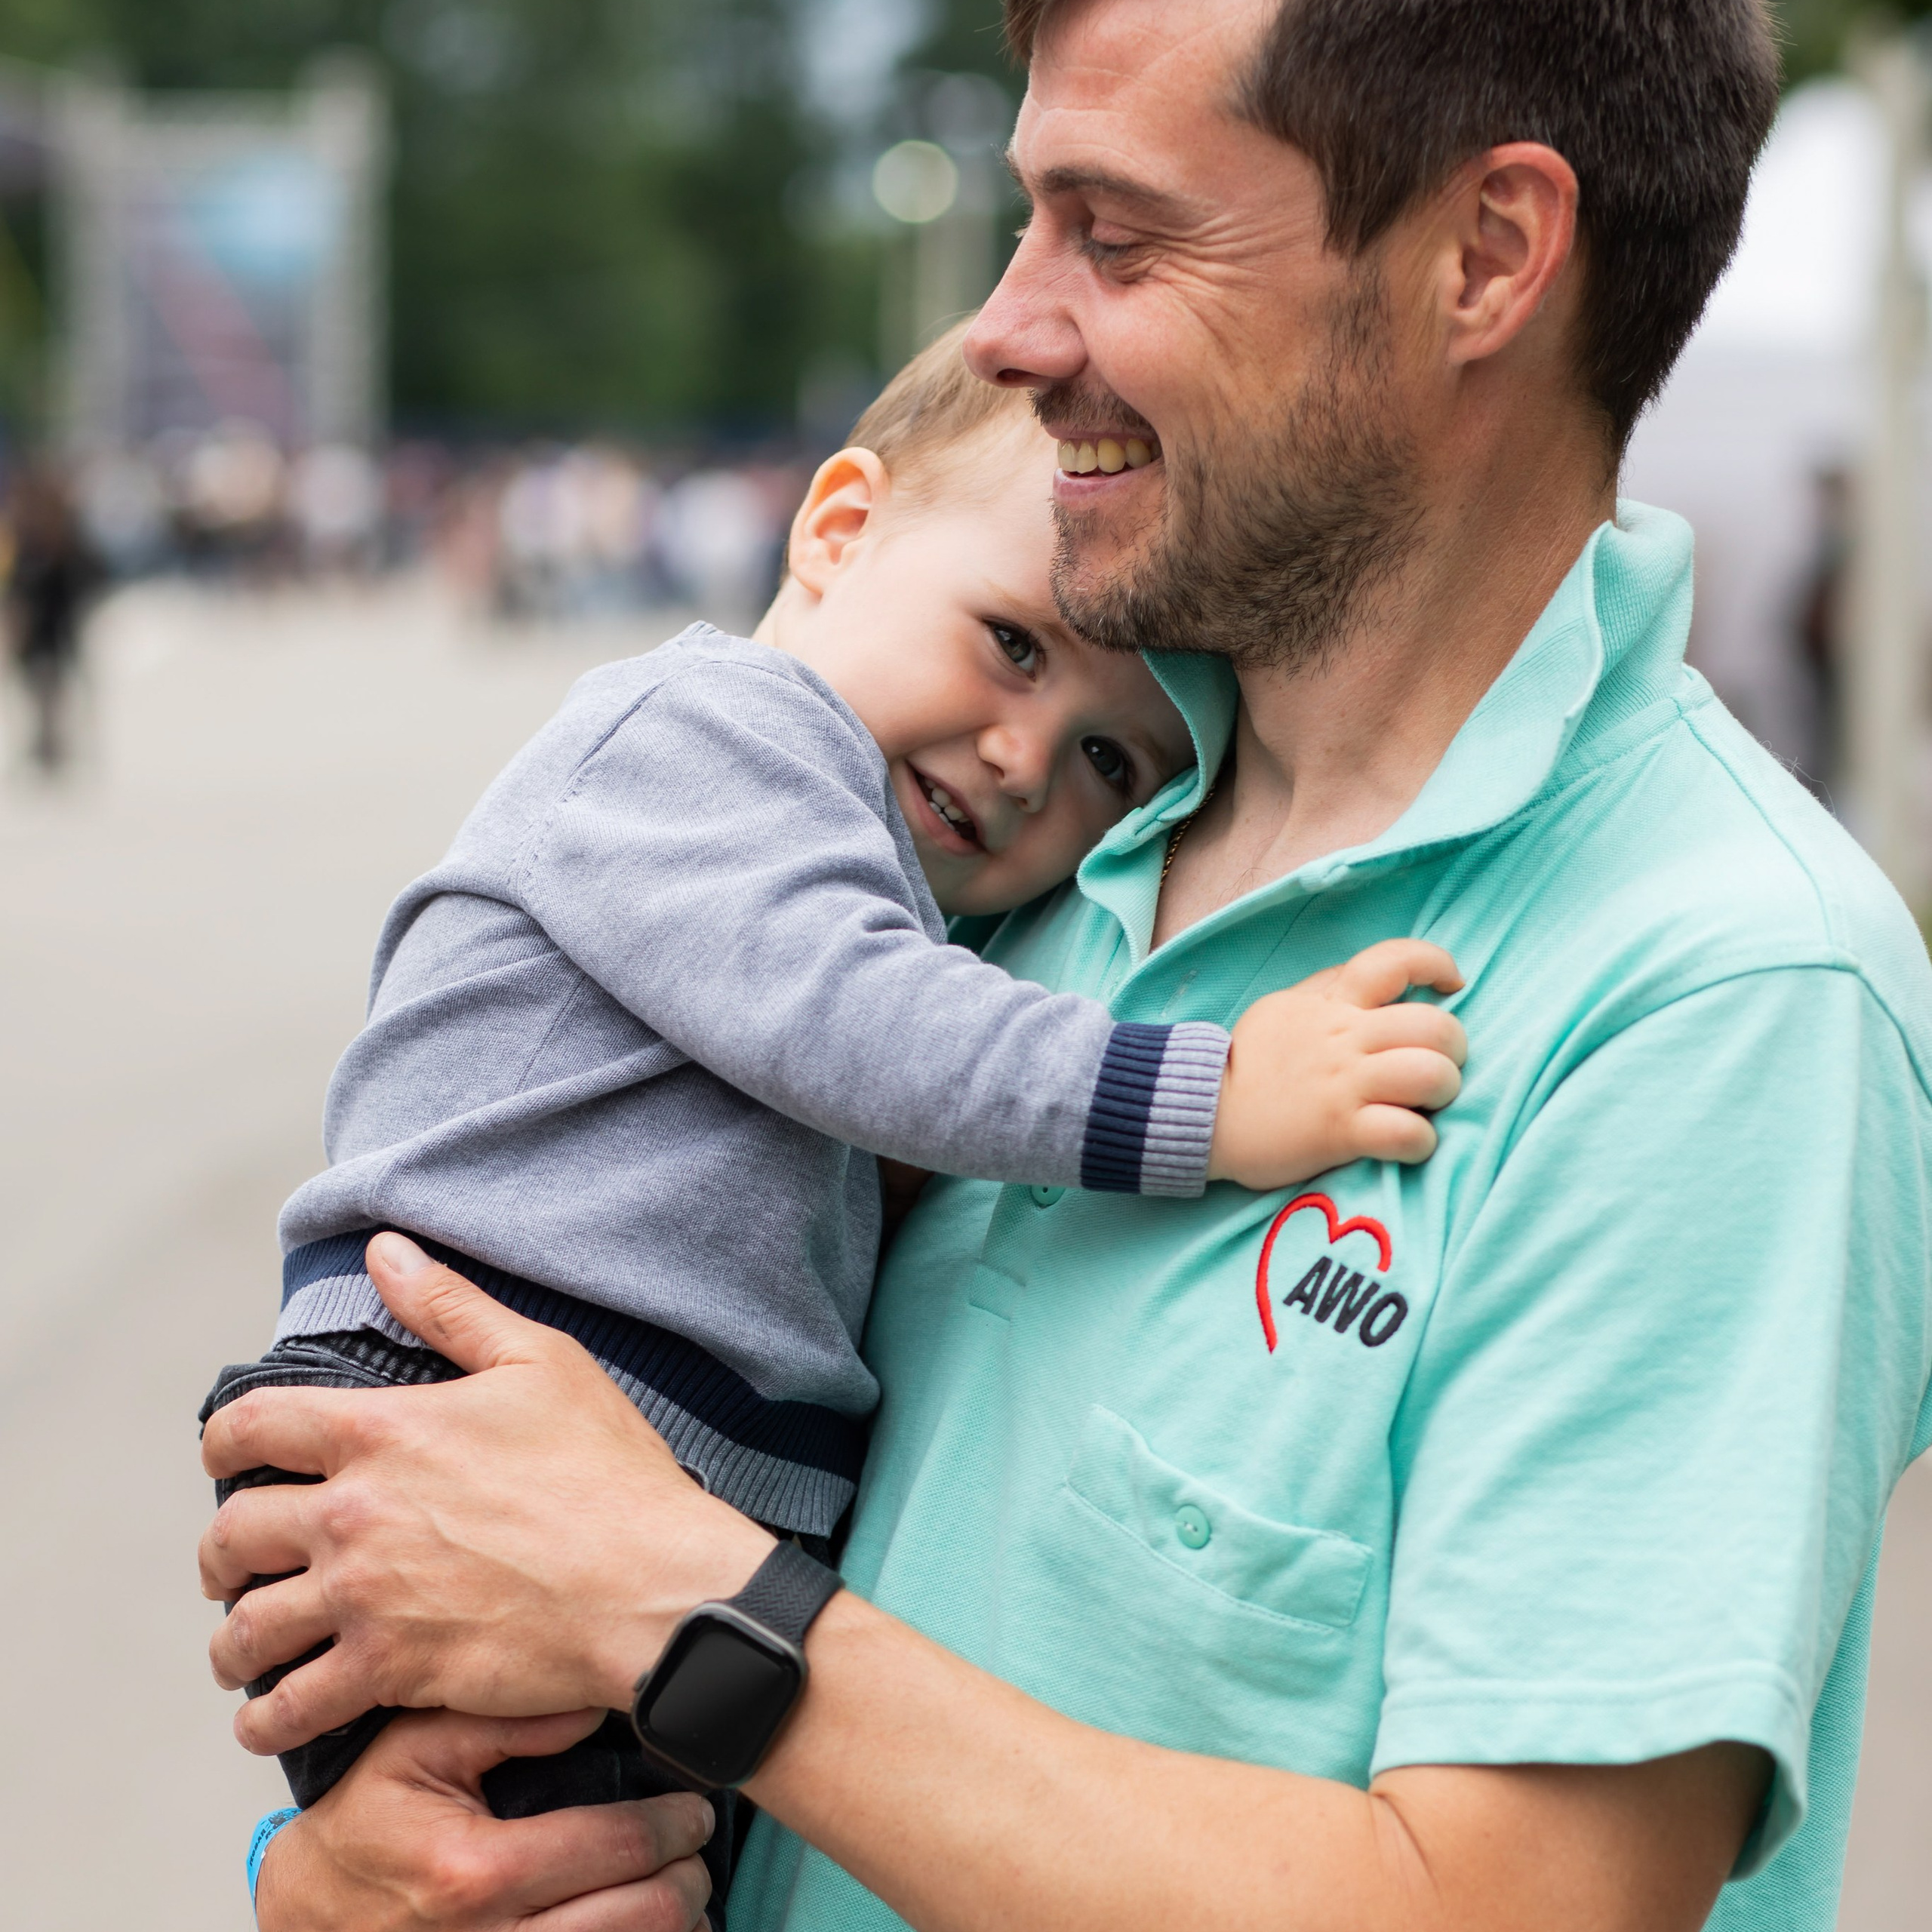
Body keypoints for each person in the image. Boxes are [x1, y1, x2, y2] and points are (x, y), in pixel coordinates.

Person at [199, 3, 1932, 1929]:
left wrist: (672, 1601)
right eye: (1027, 219)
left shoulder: (1723, 995)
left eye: (1113, 237)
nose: (1013, 326)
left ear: (1485, 258)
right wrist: (350, 1868)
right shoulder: (1010, 861)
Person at [201, 325, 1466, 1909]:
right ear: (836, 528)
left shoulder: (890, 874)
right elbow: (868, 1030)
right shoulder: (704, 736)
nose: (1021, 759)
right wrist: (1214, 1096)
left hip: (623, 1465)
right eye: (1009, 642)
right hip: (446, 1400)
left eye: (1105, 757)